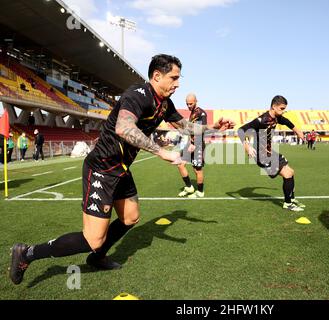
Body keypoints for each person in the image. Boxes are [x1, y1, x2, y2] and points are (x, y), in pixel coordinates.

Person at [9, 54, 235, 285]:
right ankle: (27, 253)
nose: (178, 83)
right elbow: (123, 128)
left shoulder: (164, 104)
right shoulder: (137, 96)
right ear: (157, 76)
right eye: (174, 78)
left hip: (121, 169)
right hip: (102, 168)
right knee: (93, 238)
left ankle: (96, 258)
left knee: (130, 218)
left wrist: (213, 127)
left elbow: (186, 126)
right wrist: (161, 151)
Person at [238, 95, 305, 212]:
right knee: (287, 174)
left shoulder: (277, 117)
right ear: (274, 106)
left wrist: (298, 131)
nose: (283, 111)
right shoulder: (261, 120)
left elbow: (287, 122)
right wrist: (247, 146)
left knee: (291, 172)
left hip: (269, 152)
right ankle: (288, 204)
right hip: (262, 156)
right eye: (282, 108)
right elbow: (241, 130)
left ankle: (291, 199)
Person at [177, 93, 208, 198]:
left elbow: (202, 129)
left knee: (197, 169)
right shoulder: (192, 114)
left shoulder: (201, 113)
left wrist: (195, 144)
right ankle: (189, 187)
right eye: (187, 104)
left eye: (191, 103)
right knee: (180, 164)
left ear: (196, 101)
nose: (189, 106)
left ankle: (200, 192)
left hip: (198, 145)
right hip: (191, 144)